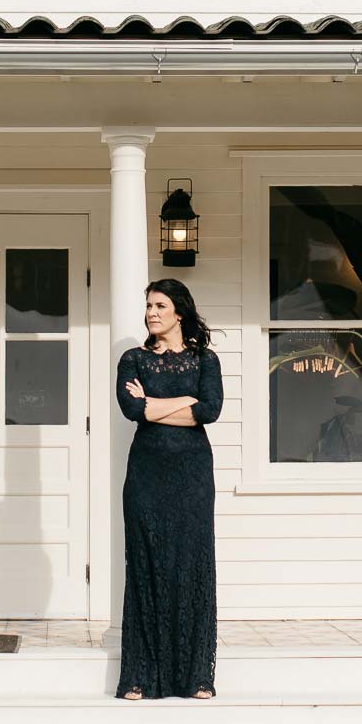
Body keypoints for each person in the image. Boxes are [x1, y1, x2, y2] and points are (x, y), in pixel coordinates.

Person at [113, 277, 223, 699]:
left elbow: (210, 410)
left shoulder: (205, 360)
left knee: (191, 565)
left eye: (160, 306)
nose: (151, 313)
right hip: (146, 474)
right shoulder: (133, 359)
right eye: (148, 306)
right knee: (146, 566)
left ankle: (196, 677)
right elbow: (132, 409)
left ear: (180, 311)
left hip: (193, 476)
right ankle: (140, 675)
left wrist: (155, 406)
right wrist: (183, 403)